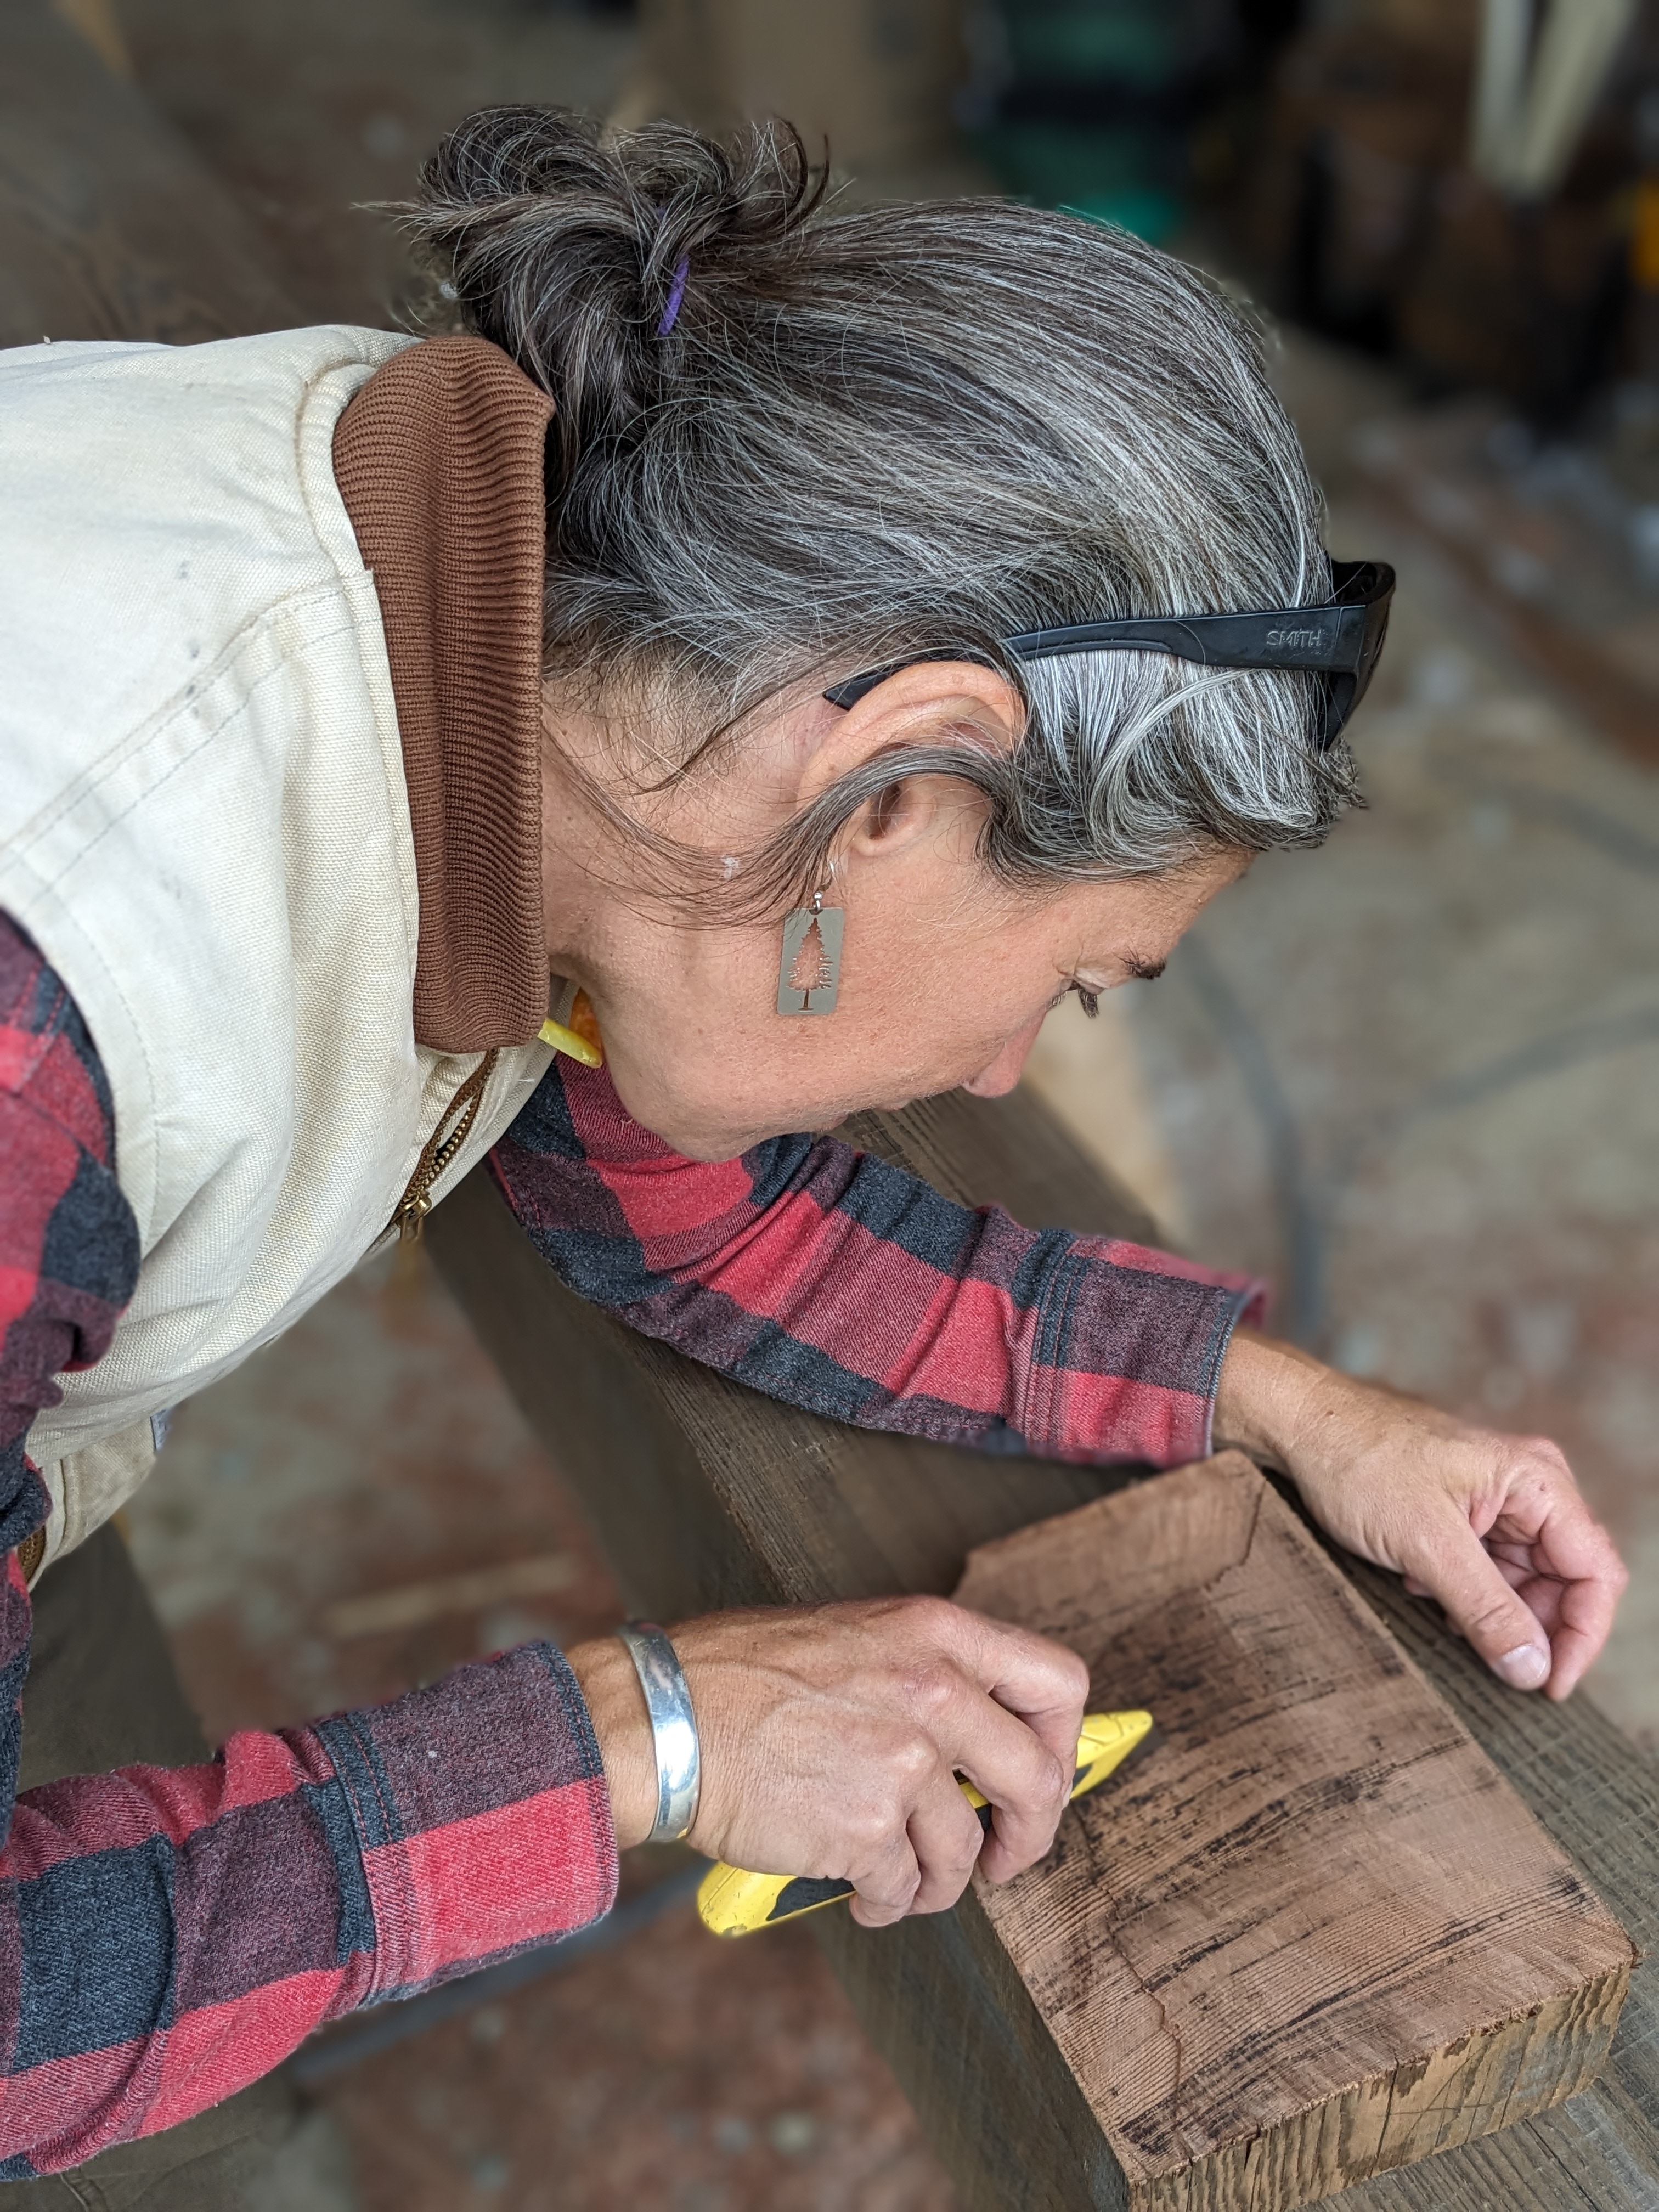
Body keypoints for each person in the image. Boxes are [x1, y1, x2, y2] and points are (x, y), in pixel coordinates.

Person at [0, 106, 1625, 2203]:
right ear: (890, 789)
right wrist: (653, 1739)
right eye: (1087, 981)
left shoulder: (537, 637)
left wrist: (1287, 1404)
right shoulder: (56, 998)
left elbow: (693, 1223)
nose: (1001, 1068)